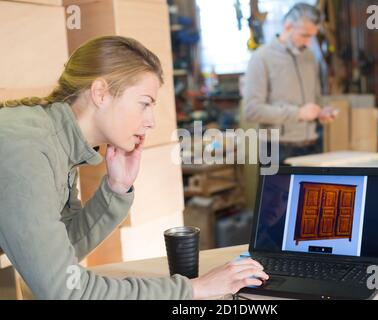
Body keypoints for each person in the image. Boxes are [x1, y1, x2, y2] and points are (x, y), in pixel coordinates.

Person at [0, 35, 268, 300]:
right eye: (144, 104)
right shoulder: (28, 148)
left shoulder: (57, 141)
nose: (150, 121)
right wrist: (194, 289)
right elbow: (65, 290)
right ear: (100, 93)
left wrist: (116, 190)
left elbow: (63, 251)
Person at [244, 3, 337, 163]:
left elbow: (315, 98)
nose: (308, 43)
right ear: (288, 26)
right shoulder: (262, 58)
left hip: (313, 145)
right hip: (277, 149)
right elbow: (252, 110)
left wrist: (321, 111)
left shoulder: (309, 57)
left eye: (312, 36)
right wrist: (298, 113)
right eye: (304, 35)